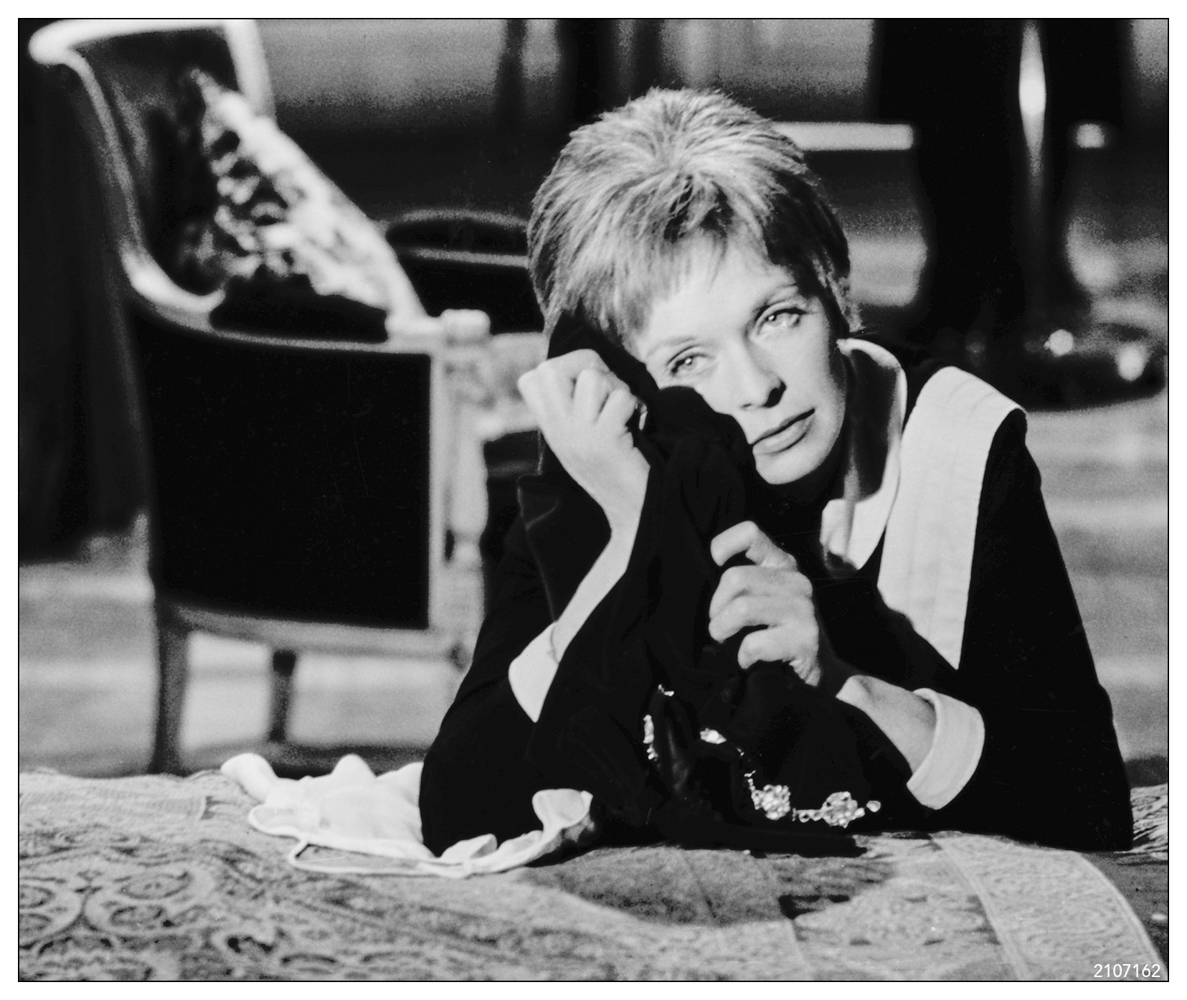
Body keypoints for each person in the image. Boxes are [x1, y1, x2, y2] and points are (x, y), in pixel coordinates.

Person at [419, 88, 1133, 858]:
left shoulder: (952, 443)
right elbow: (461, 812)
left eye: (776, 317)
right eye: (689, 360)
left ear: (833, 289)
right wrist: (631, 545)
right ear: (621, 381)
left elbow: (1084, 805)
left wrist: (841, 680)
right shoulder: (602, 465)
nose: (757, 386)